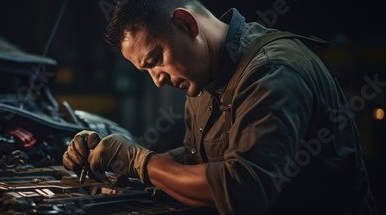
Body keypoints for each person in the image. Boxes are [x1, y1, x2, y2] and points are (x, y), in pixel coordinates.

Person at [62, 0, 377, 214]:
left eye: (155, 61)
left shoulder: (271, 73)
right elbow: (196, 162)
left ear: (185, 23)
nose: (157, 80)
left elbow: (243, 191)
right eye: (146, 71)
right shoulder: (204, 79)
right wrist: (116, 158)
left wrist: (139, 162)